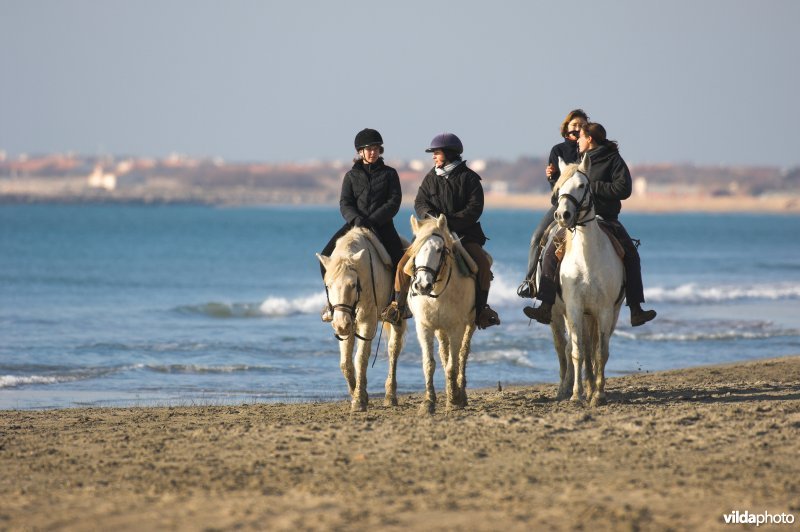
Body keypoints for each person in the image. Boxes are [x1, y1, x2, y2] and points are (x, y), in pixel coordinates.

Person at [523, 122, 657, 327]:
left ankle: (636, 309)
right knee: (550, 250)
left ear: (590, 139)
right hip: (578, 221)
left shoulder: (613, 160)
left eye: (582, 137)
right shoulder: (579, 160)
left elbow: (624, 189)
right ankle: (545, 305)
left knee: (631, 254)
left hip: (606, 219)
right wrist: (554, 178)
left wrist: (591, 187)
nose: (578, 140)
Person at [381, 133, 500, 329]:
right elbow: (420, 202)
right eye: (433, 153)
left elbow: (474, 208)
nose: (434, 157)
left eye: (437, 153)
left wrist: (449, 224)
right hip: (431, 233)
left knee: (482, 265)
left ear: (450, 154)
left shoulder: (469, 178)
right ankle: (397, 306)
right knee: (403, 264)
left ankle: (481, 310)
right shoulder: (430, 177)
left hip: (463, 233)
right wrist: (431, 217)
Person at [319, 128, 404, 322]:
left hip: (381, 225)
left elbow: (394, 201)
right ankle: (331, 305)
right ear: (360, 152)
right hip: (354, 225)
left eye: (375, 148)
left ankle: (397, 305)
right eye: (368, 149)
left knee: (401, 261)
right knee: (324, 258)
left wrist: (374, 220)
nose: (372, 152)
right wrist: (357, 219)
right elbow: (345, 203)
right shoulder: (350, 176)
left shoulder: (390, 174)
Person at [518, 109, 589, 299]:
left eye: (582, 125)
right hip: (562, 204)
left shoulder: (589, 149)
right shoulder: (558, 151)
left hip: (587, 205)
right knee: (536, 237)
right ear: (566, 128)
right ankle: (530, 281)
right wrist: (551, 177)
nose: (578, 128)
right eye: (574, 125)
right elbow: (555, 187)